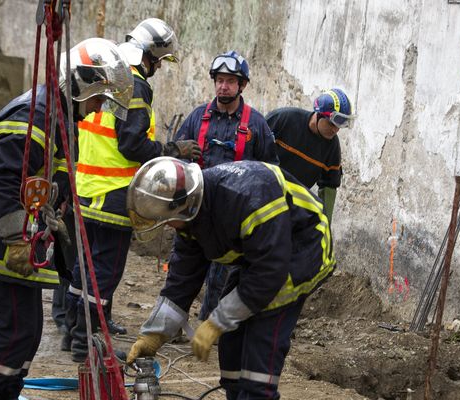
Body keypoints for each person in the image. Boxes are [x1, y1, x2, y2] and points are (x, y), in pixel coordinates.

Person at [0, 38, 133, 400]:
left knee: (27, 331)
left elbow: (49, 181)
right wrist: (14, 240)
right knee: (18, 332)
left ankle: (1, 391)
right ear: (81, 84)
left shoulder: (58, 113)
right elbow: (1, 183)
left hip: (22, 236)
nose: (98, 108)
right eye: (99, 97)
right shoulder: (35, 114)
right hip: (4, 240)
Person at [124, 157, 335, 399]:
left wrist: (217, 322)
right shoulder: (190, 216)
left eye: (167, 221)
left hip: (300, 251)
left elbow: (268, 274)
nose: (169, 227)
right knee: (232, 344)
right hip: (259, 257)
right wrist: (153, 334)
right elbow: (181, 281)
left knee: (261, 342)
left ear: (184, 206)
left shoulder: (248, 197)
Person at [63, 18, 201, 362]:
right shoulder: (134, 85)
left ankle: (73, 332)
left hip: (87, 187)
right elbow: (132, 144)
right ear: (149, 56)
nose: (157, 68)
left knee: (85, 269)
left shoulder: (107, 76)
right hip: (115, 193)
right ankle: (87, 344)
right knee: (104, 274)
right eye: (159, 61)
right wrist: (174, 151)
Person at [173, 50, 278, 320]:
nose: (223, 86)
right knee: (182, 270)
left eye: (230, 81)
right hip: (193, 211)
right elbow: (174, 161)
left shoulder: (256, 125)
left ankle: (209, 325)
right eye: (219, 79)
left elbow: (270, 173)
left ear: (241, 85)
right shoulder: (197, 118)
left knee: (221, 276)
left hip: (231, 219)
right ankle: (172, 324)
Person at [266, 88, 355, 223]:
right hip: (263, 193)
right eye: (331, 124)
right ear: (319, 115)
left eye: (339, 126)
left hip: (291, 209)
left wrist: (325, 227)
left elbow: (329, 187)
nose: (335, 130)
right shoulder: (284, 119)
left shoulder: (332, 147)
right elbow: (253, 150)